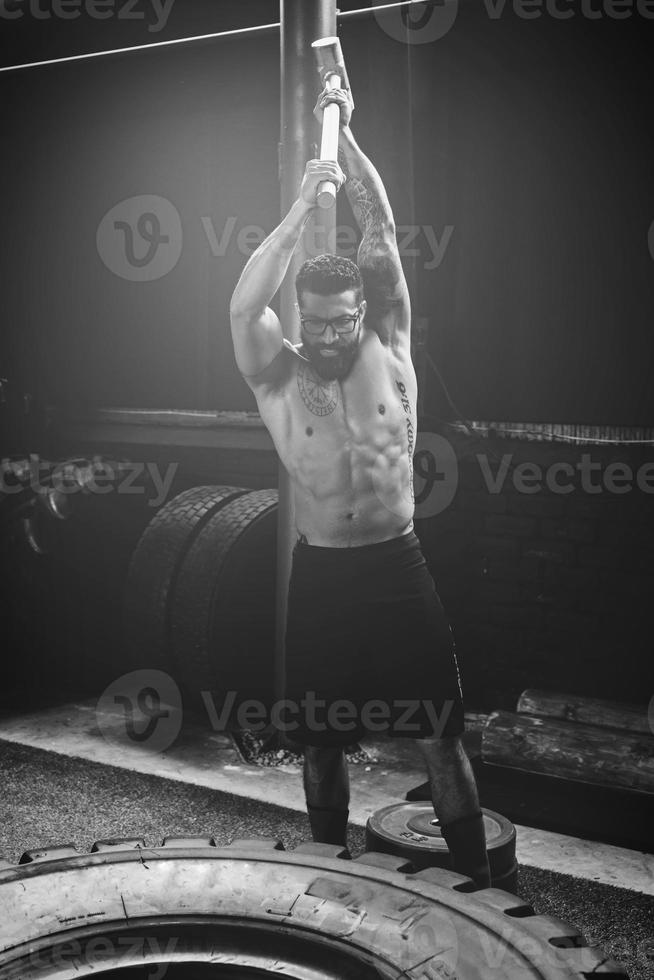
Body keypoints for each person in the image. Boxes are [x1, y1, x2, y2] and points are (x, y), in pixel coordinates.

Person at [229, 84, 491, 888]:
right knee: (319, 738)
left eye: (346, 319)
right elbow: (244, 301)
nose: (336, 334)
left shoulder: (390, 337)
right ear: (300, 316)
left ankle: (479, 888)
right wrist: (302, 202)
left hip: (397, 564)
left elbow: (379, 225)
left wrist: (351, 142)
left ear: (363, 310)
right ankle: (325, 880)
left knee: (439, 734)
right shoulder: (278, 373)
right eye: (322, 323)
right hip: (324, 577)